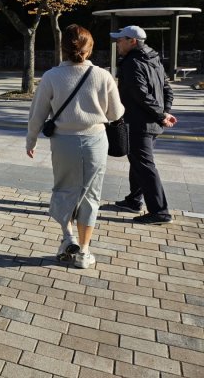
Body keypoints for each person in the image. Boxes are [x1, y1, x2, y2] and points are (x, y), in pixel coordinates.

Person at [26, 25, 124, 269]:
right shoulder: (103, 76)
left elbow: (37, 114)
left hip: (63, 142)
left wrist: (31, 141)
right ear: (89, 49)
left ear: (63, 49)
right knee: (91, 195)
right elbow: (116, 113)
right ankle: (84, 251)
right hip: (95, 141)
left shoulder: (50, 76)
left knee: (63, 189)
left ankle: (67, 235)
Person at [110, 25, 176, 225]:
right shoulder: (154, 58)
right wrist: (164, 112)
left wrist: (161, 116)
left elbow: (140, 94)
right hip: (150, 123)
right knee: (138, 161)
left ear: (132, 41)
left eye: (120, 40)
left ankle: (160, 211)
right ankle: (133, 200)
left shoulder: (131, 62)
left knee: (145, 166)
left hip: (139, 123)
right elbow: (167, 88)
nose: (117, 43)